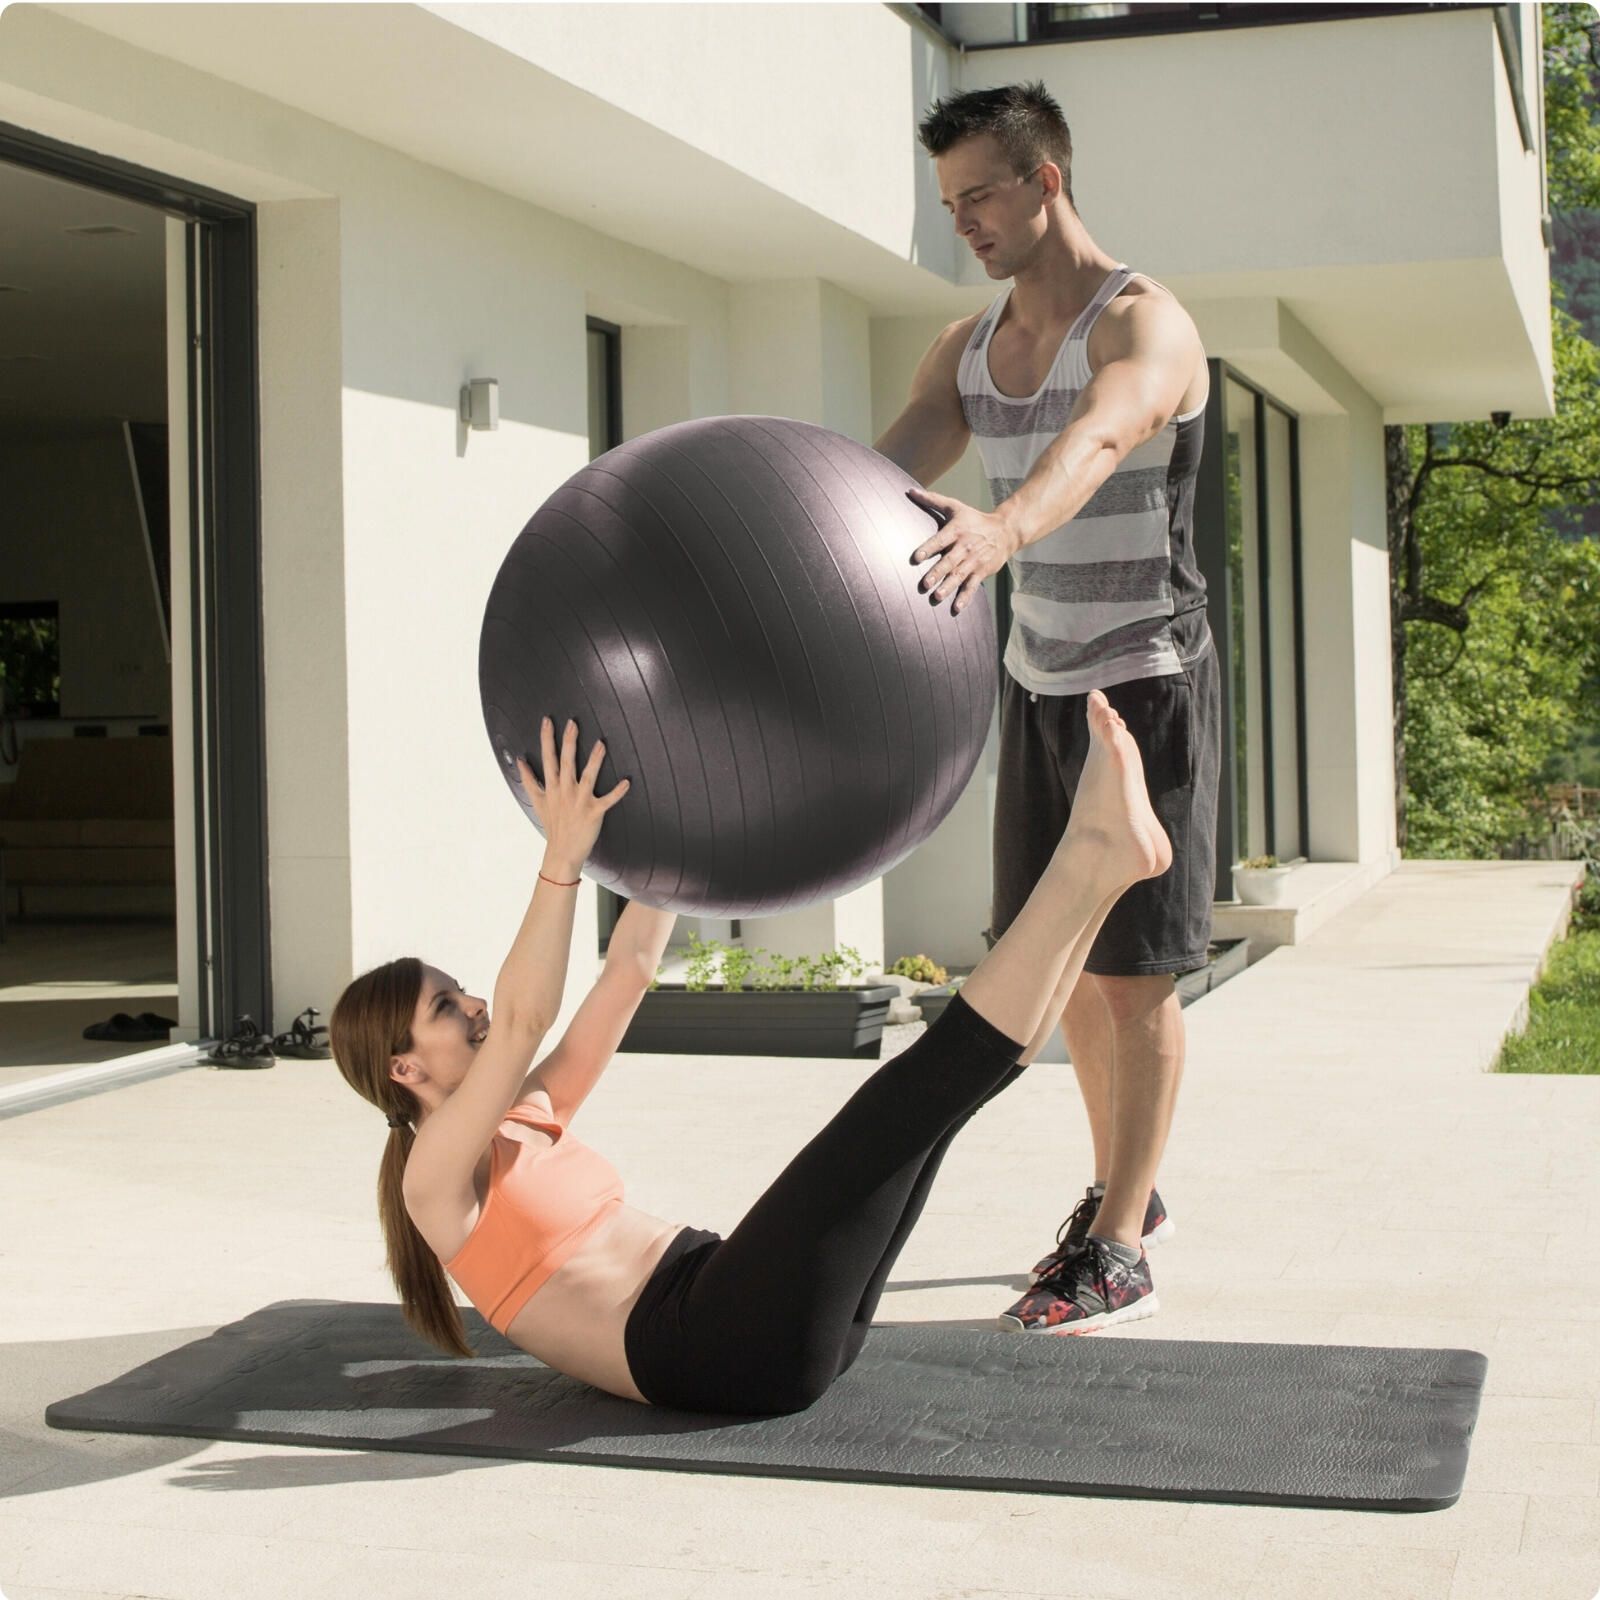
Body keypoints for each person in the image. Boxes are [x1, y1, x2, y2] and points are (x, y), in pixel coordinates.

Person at [331, 700, 1168, 1417]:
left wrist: (680, 817)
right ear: (404, 1069)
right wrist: (562, 855)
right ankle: (1088, 851)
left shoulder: (527, 1118)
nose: (474, 1005)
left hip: (748, 1306)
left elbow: (629, 970)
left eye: (460, 992)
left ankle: (1105, 875)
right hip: (717, 1344)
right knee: (905, 1102)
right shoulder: (432, 1185)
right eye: (445, 1008)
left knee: (939, 1111)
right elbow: (522, 1020)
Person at [875, 81, 1221, 1334]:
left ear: (1046, 180)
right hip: (1038, 688)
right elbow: (880, 470)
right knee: (1065, 967)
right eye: (949, 202)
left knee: (1133, 977)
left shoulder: (1143, 324)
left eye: (981, 193)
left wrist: (1004, 527)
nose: (964, 220)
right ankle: (1127, 1185)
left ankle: (1118, 1247)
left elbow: (1098, 440)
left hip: (1146, 679)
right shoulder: (964, 350)